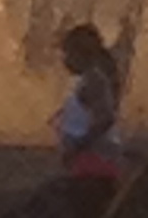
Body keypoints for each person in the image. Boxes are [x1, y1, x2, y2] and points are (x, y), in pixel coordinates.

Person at [52, 22, 127, 183]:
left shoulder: (94, 80)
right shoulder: (87, 80)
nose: (65, 60)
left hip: (95, 161)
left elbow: (105, 118)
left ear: (81, 54)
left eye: (68, 54)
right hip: (88, 161)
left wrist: (79, 145)